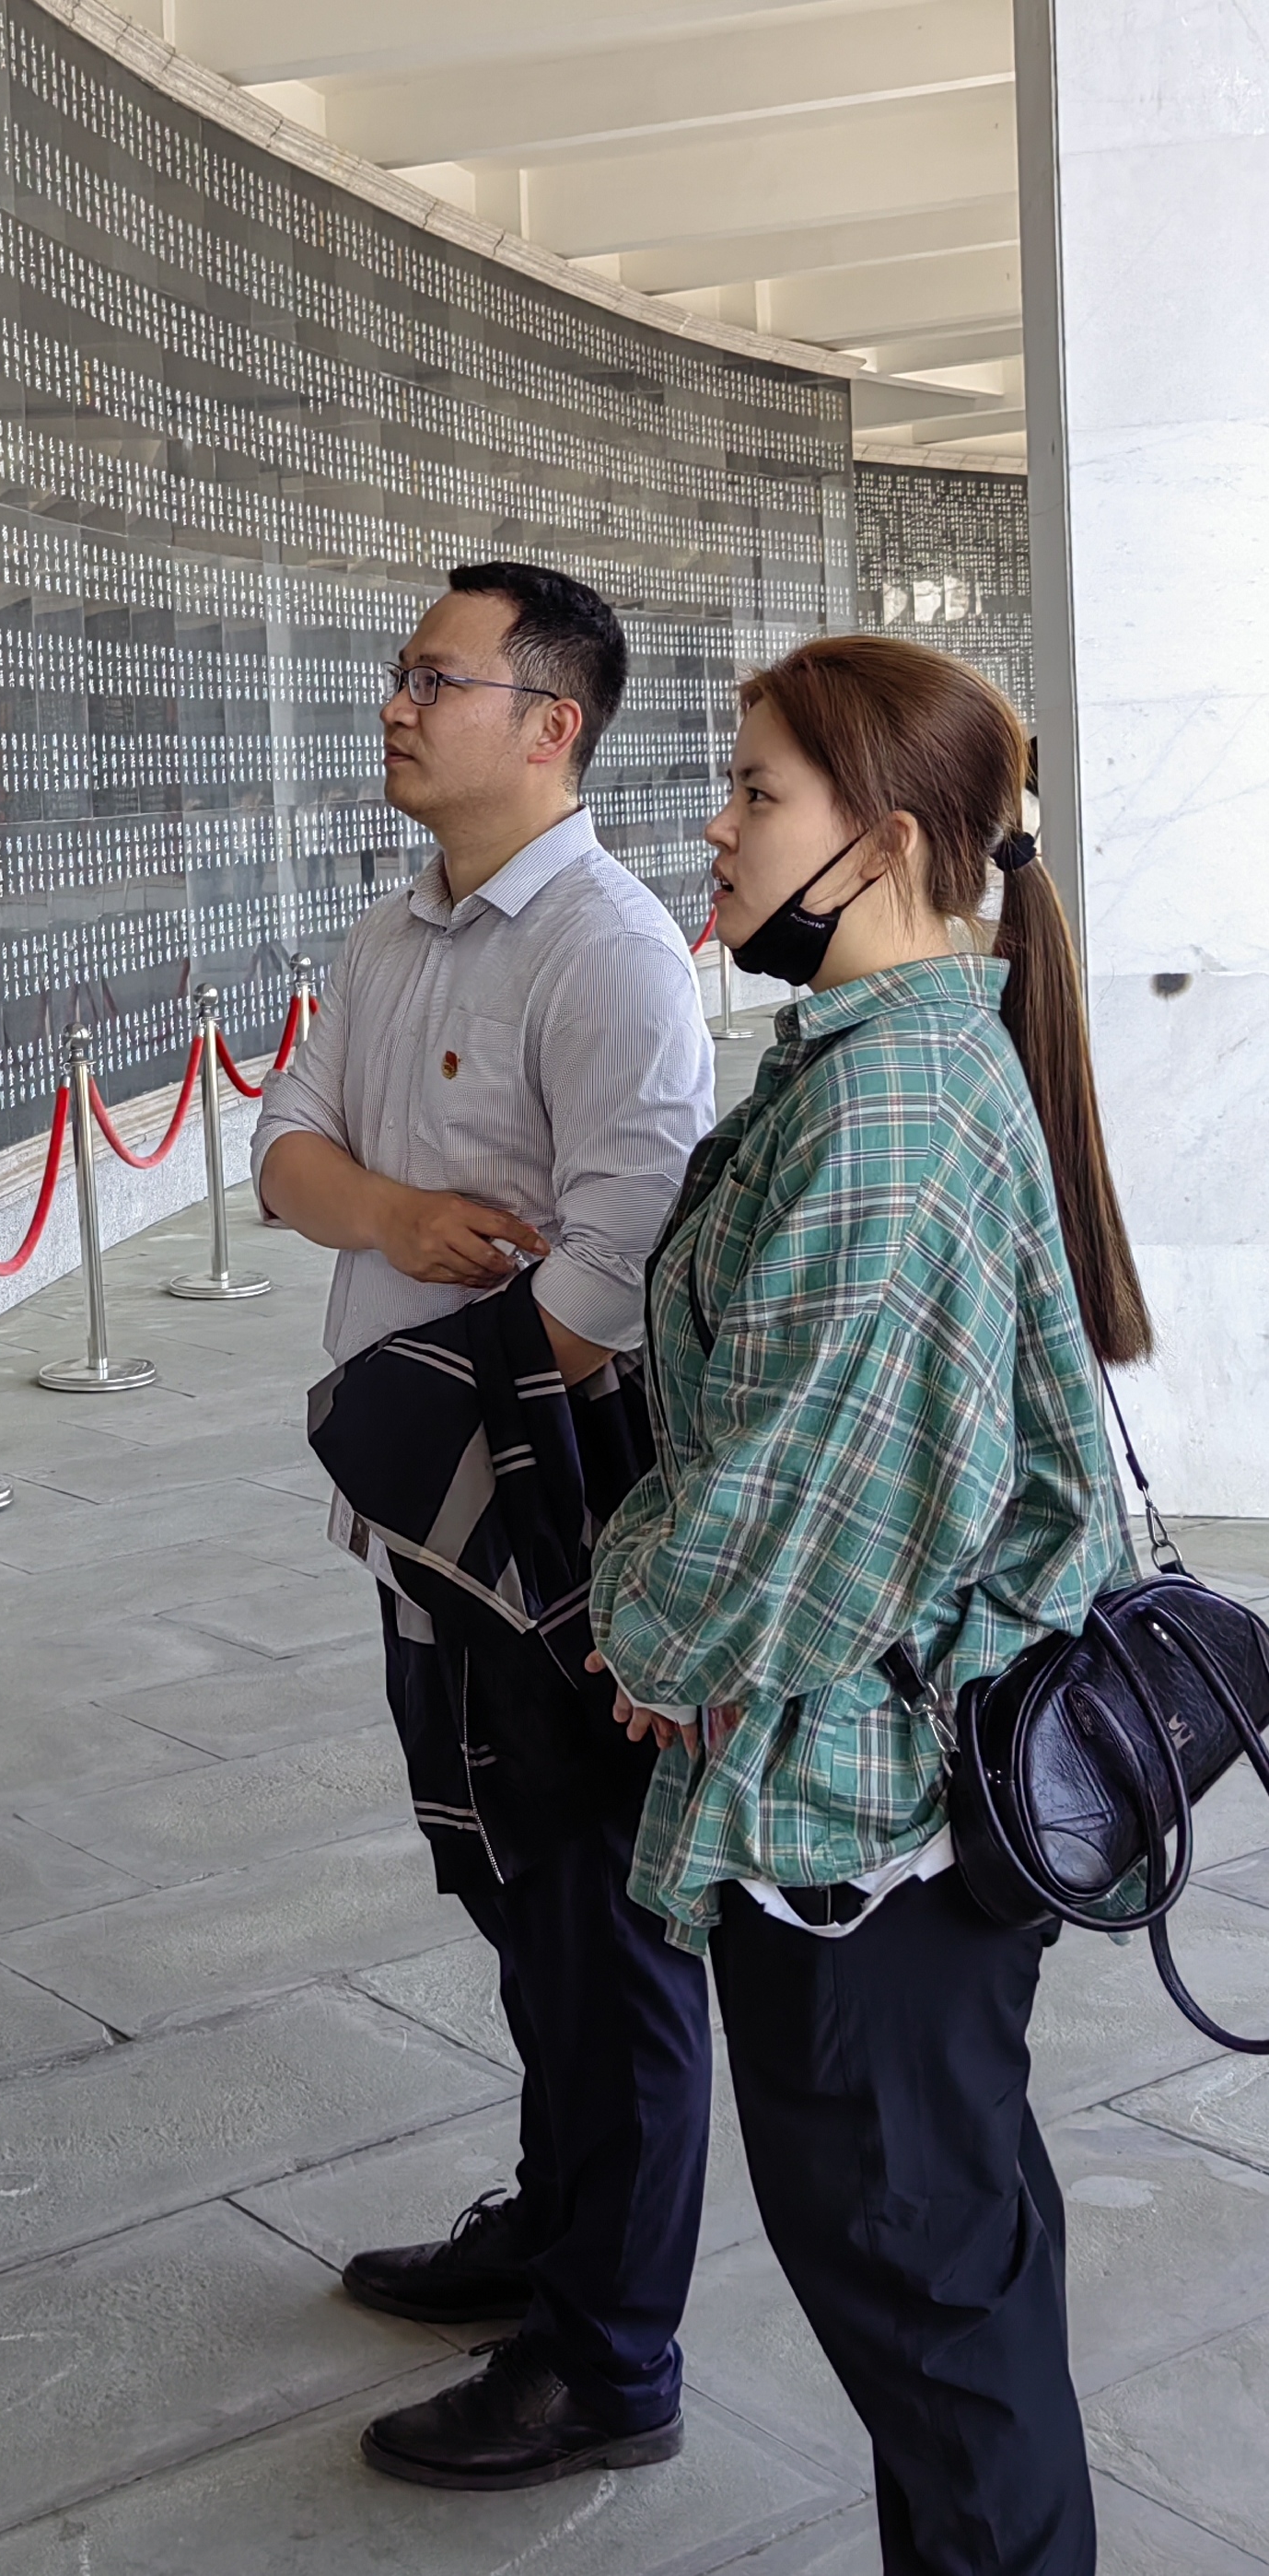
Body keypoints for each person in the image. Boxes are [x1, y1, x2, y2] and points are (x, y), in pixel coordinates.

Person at [591, 635, 1147, 2575]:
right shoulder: (886, 1056)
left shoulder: (884, 1107)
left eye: (756, 791)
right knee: (951, 2279)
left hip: (867, 1827)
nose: (715, 828)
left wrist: (644, 1630)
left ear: (883, 842)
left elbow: (790, 1502)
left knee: (930, 2314)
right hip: (903, 1802)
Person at [252, 562, 719, 2488]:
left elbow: (622, 1260)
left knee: (604, 1941)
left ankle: (610, 2360)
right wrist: (389, 1216)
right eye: (398, 672)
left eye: (433, 677)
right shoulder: (390, 933)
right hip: (416, 1533)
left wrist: (433, 1399)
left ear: (548, 723)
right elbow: (282, 1153)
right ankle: (550, 2225)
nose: (393, 700)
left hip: (549, 1537)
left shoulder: (605, 952)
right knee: (505, 1895)